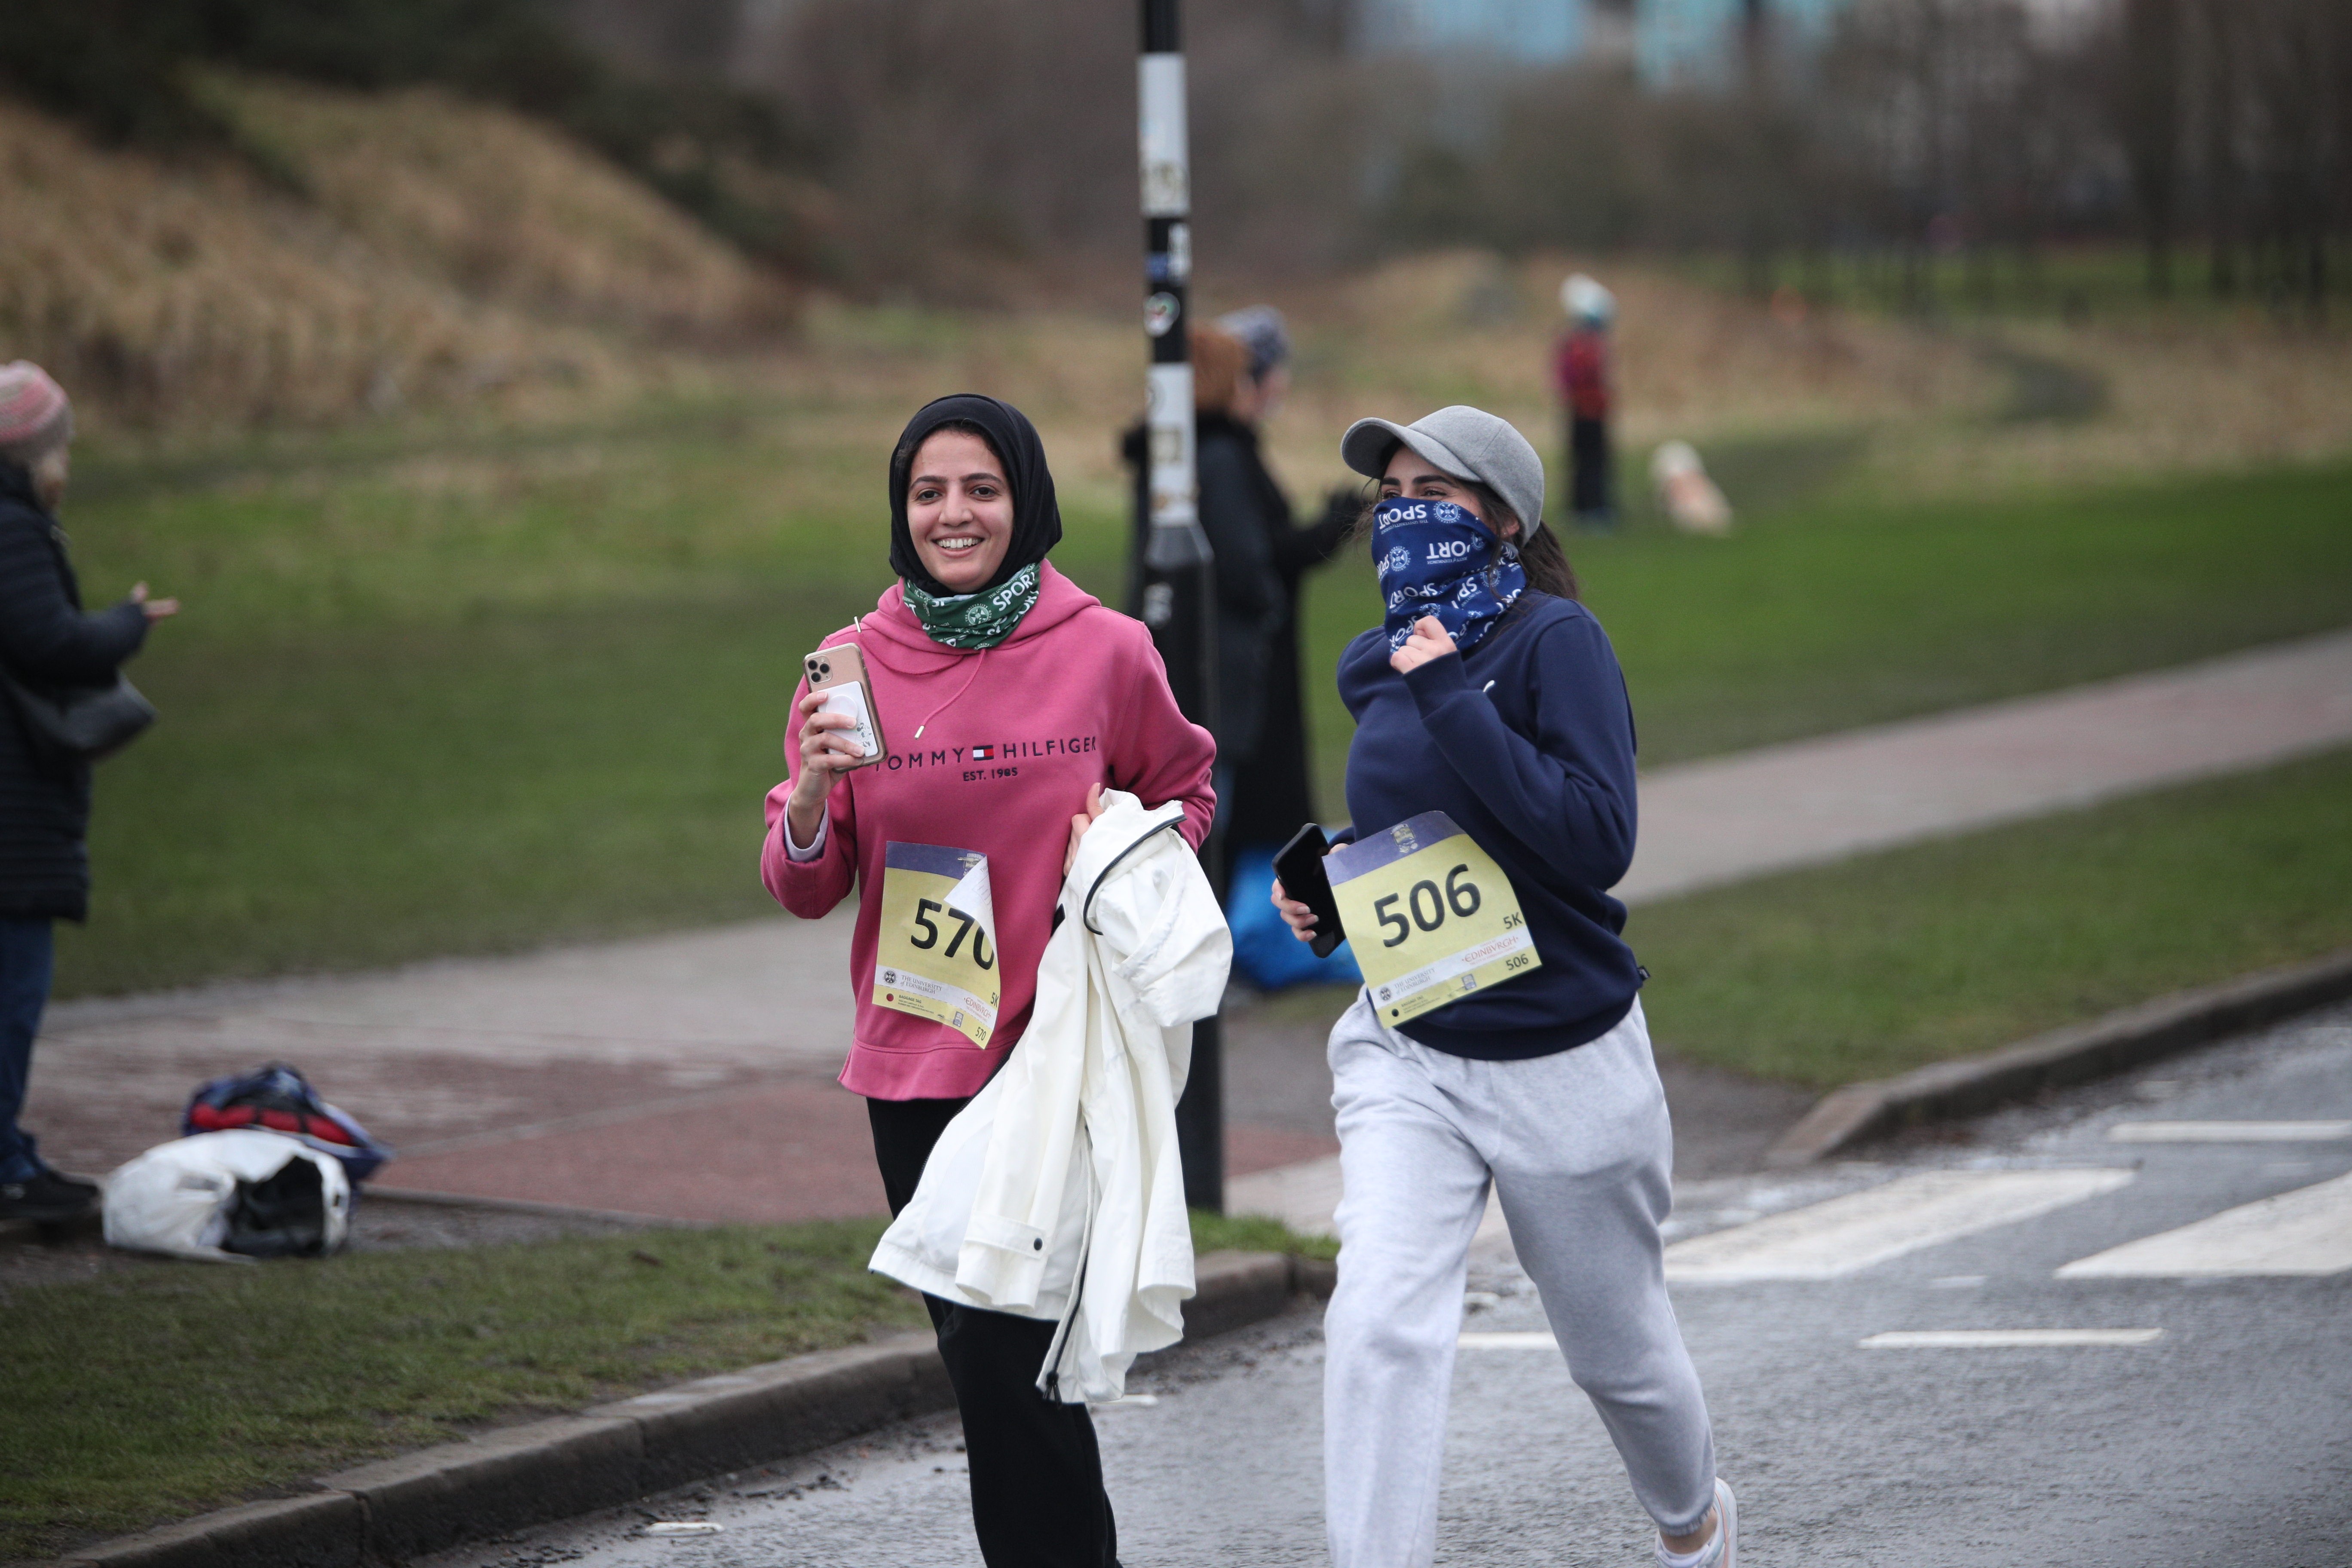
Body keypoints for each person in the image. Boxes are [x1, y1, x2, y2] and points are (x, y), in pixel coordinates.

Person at [1271, 406, 1737, 1568]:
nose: (1402, 513)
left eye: (1434, 490)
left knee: (1620, 1362)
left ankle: (1697, 1527)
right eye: (1390, 494)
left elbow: (1592, 838)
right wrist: (1334, 881)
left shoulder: (1553, 641)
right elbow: (1423, 835)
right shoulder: (1374, 660)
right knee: (1376, 1320)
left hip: (1564, 1055)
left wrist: (1452, 703)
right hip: (1411, 1046)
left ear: (1506, 519)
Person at [763, 394, 1214, 1568]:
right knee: (994, 1376)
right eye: (928, 493)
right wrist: (810, 797)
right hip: (915, 1067)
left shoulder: (1105, 650)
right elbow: (807, 882)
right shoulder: (849, 666)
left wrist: (1122, 868)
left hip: (1052, 1060)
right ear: (900, 512)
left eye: (980, 490)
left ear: (1025, 501)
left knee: (1016, 1372)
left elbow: (1186, 791)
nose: (953, 514)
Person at [0, 362, 177, 1224]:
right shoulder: (12, 528)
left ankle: (8, 1154)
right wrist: (128, 624)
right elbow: (47, 638)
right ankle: (4, 1165)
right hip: (12, 812)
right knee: (12, 990)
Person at [1121, 312, 1348, 853]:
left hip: (1178, 648)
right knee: (1208, 815)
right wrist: (1269, 602)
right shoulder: (1221, 456)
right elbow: (1247, 560)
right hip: (1221, 664)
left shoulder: (1171, 455)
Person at [1554, 273, 1617, 528]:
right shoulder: (1583, 345)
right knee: (1590, 461)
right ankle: (1591, 509)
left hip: (1584, 410)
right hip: (1587, 412)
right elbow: (1582, 378)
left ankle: (1587, 508)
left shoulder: (1575, 344)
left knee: (1586, 461)